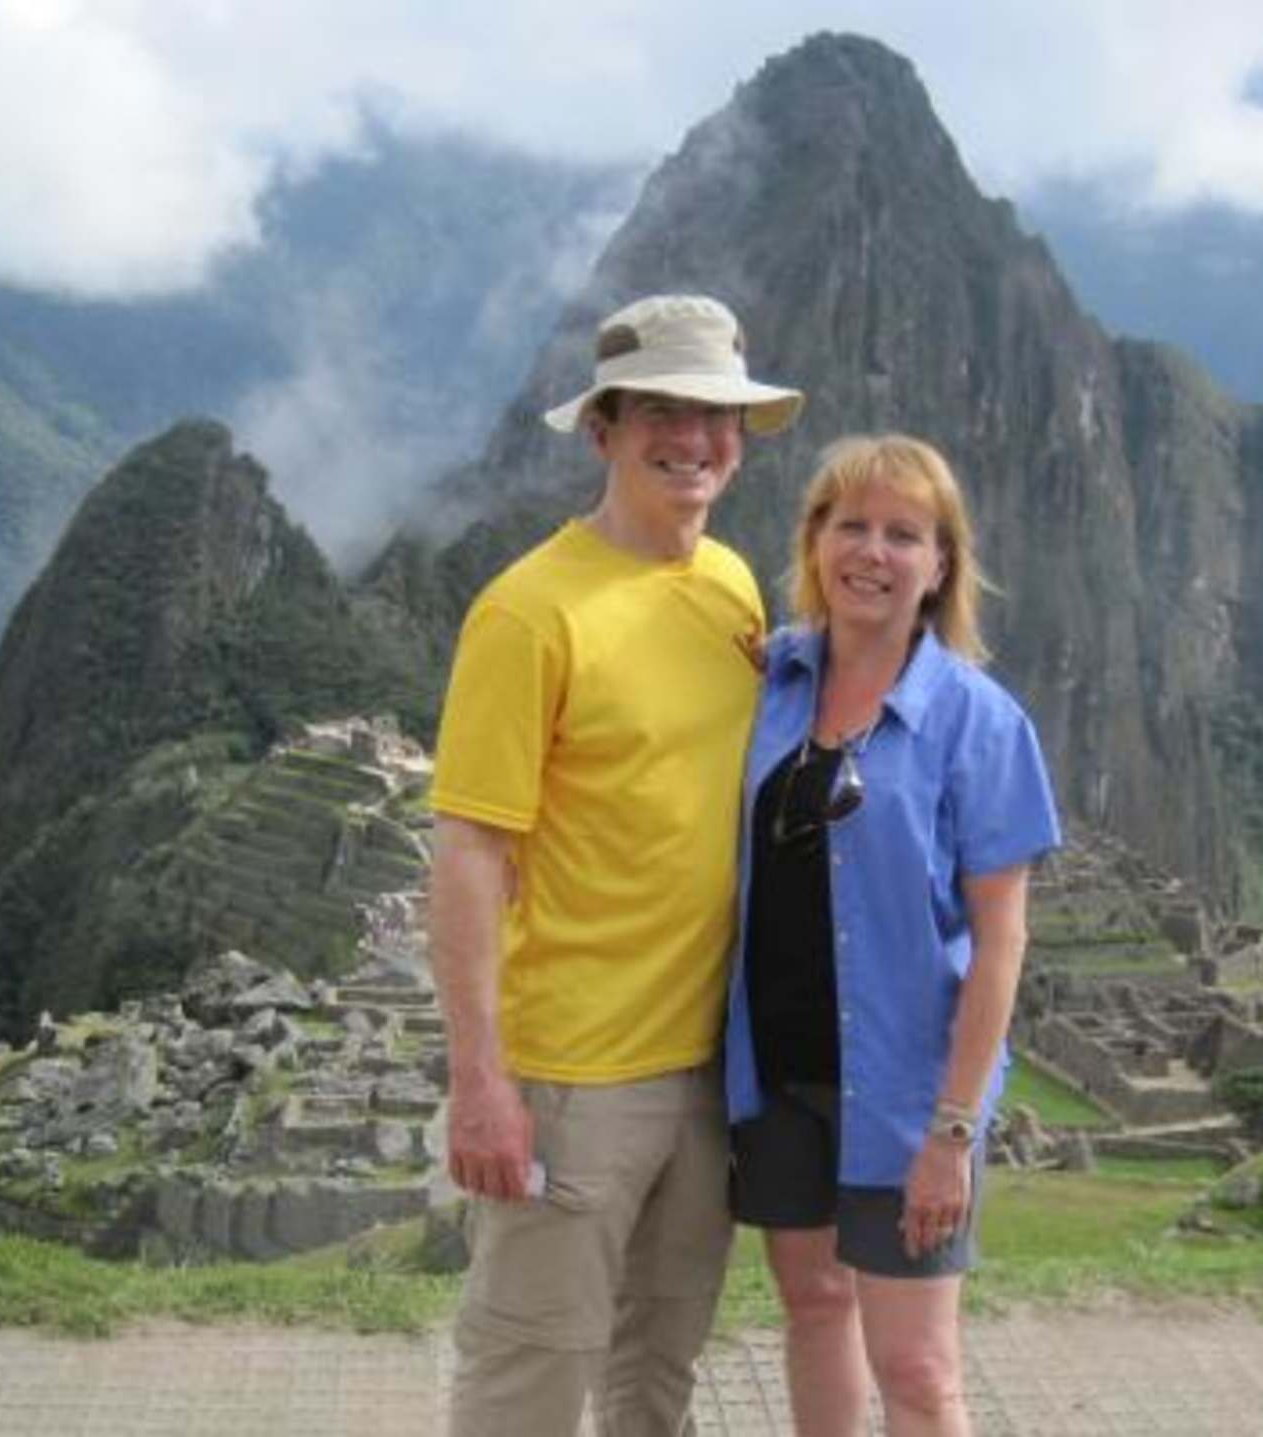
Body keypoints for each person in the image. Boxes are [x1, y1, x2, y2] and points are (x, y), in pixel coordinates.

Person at [428, 293, 803, 1436]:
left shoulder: (733, 585)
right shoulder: (529, 614)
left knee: (659, 1372)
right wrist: (481, 1080)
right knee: (530, 1378)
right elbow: (470, 852)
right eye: (660, 413)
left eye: (717, 416)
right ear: (602, 430)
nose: (693, 439)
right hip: (574, 1077)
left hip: (706, 1069)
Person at [724, 434, 1061, 1435]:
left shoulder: (980, 724)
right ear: (814, 541)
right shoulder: (774, 684)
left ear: (942, 564)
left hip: (908, 1098)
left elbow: (1001, 944)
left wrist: (952, 1134)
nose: (872, 552)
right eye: (850, 525)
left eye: (903, 534)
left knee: (915, 1368)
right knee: (815, 1309)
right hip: (778, 1077)